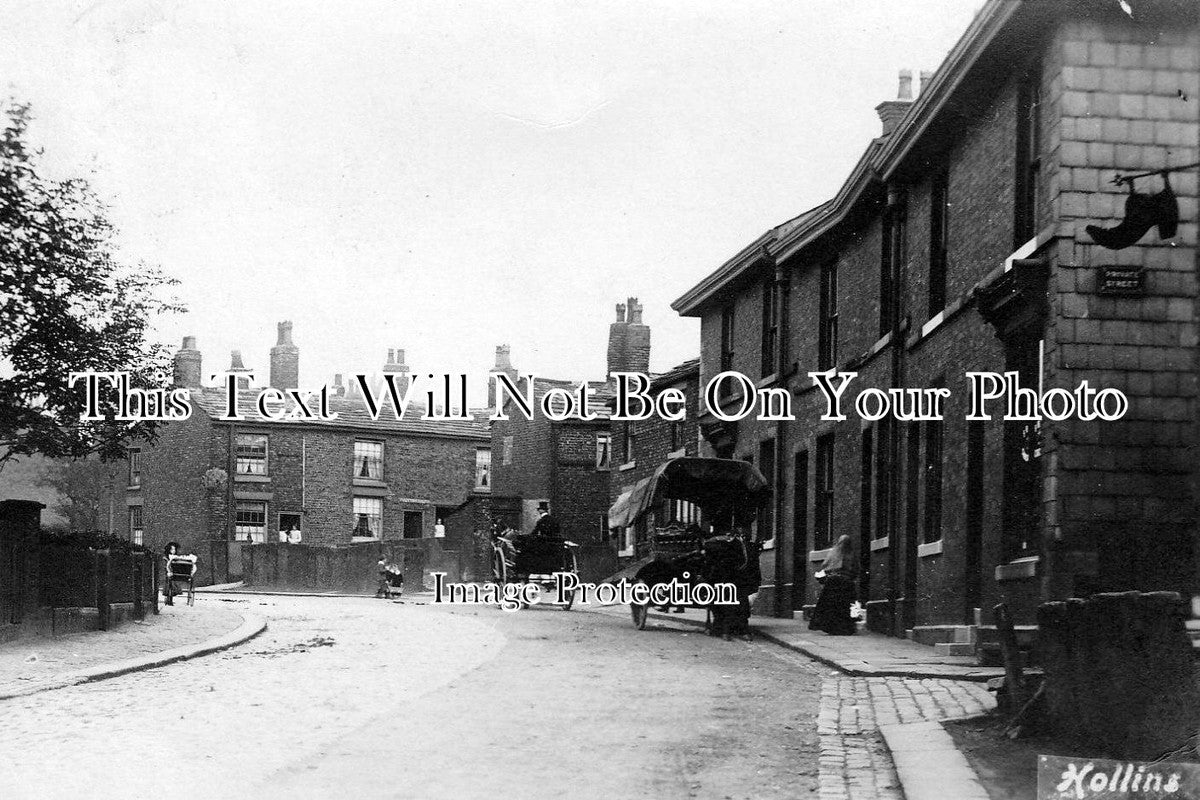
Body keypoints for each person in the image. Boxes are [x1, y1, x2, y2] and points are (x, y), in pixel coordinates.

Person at [809, 534, 858, 635]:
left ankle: (831, 628)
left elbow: (825, 565)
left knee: (830, 607)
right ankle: (844, 628)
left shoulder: (833, 553)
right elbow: (855, 569)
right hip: (845, 583)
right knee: (844, 606)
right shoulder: (851, 554)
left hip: (832, 583)